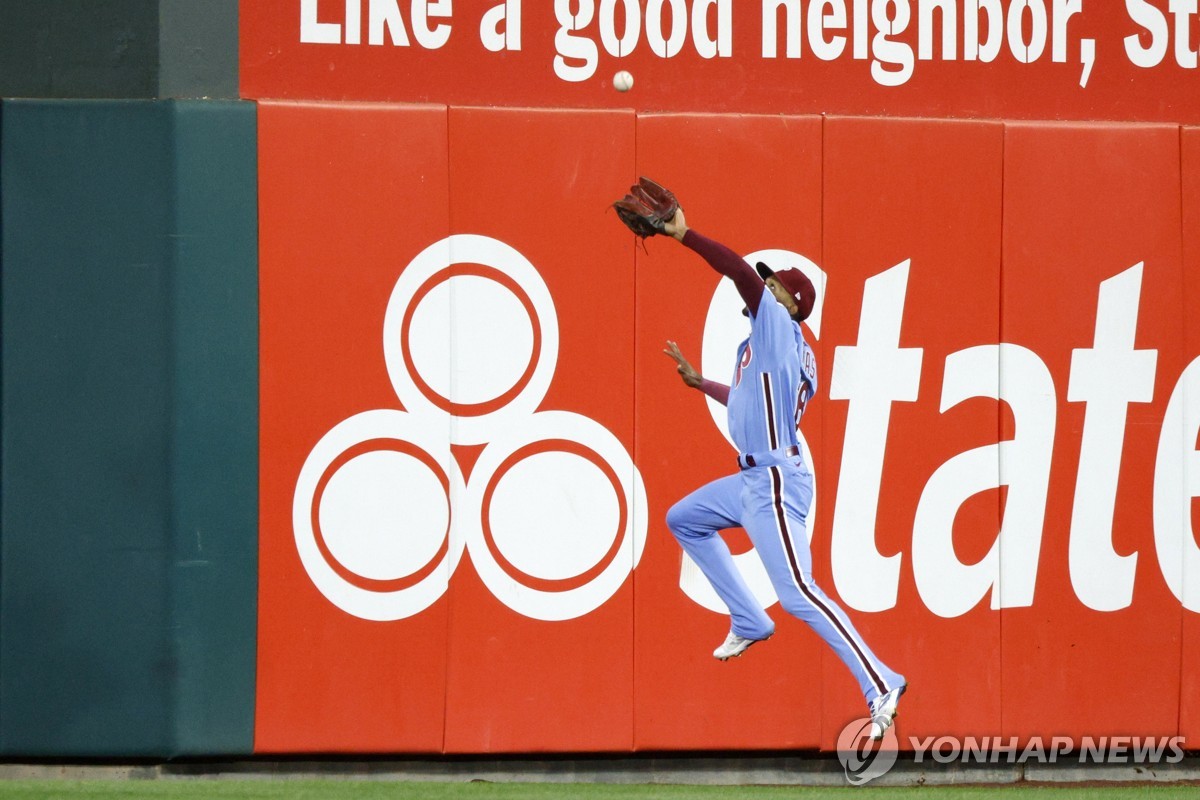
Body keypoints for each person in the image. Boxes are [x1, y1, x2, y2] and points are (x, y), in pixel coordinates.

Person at [660, 207, 906, 739]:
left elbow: (740, 273)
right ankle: (749, 618)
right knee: (683, 518)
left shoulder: (777, 324)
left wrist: (684, 235)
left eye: (777, 286)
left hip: (772, 480)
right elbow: (747, 399)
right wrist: (702, 383)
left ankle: (880, 681)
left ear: (792, 304)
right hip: (753, 479)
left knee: (798, 591)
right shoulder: (769, 347)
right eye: (769, 282)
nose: (766, 285)